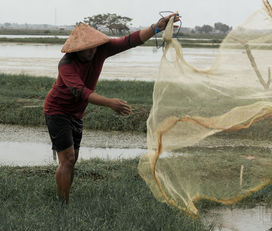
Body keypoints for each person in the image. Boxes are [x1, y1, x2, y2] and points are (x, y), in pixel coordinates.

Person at [44, 13, 180, 204]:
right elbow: (81, 92)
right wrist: (110, 102)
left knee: (72, 160)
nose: (92, 51)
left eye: (93, 47)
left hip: (76, 113)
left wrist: (157, 27)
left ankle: (65, 198)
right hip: (57, 110)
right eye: (87, 48)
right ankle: (62, 205)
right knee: (67, 158)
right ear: (77, 49)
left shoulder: (101, 49)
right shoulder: (66, 64)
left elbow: (130, 40)